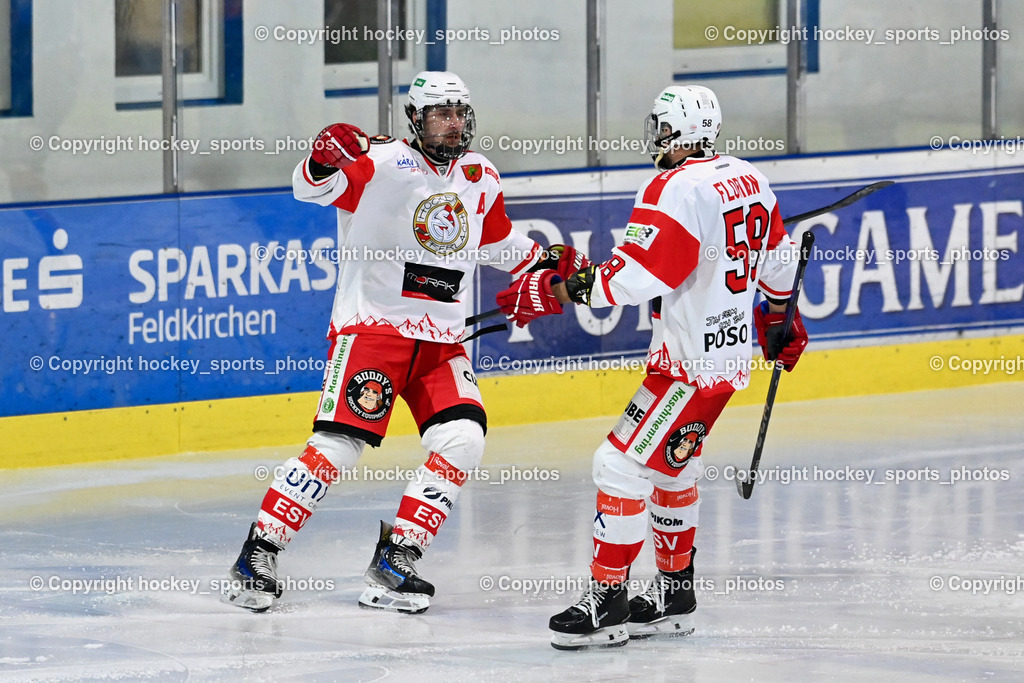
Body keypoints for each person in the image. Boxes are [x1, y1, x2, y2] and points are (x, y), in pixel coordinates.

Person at [225, 71, 585, 614]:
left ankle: (395, 561)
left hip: (441, 339)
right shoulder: (381, 163)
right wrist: (323, 158)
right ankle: (258, 553)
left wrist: (544, 260)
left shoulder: (479, 175)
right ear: (414, 119)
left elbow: (494, 241)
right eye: (441, 114)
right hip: (375, 329)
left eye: (461, 113)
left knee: (464, 438)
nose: (454, 124)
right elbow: (311, 187)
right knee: (338, 447)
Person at [496, 84, 809, 649]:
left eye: (661, 128)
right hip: (722, 360)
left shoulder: (672, 187)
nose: (656, 139)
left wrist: (558, 290)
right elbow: (780, 258)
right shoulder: (750, 177)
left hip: (688, 366)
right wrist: (781, 314)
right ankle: (674, 595)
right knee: (671, 470)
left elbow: (637, 276)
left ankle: (609, 602)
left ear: (678, 132)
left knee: (618, 467)